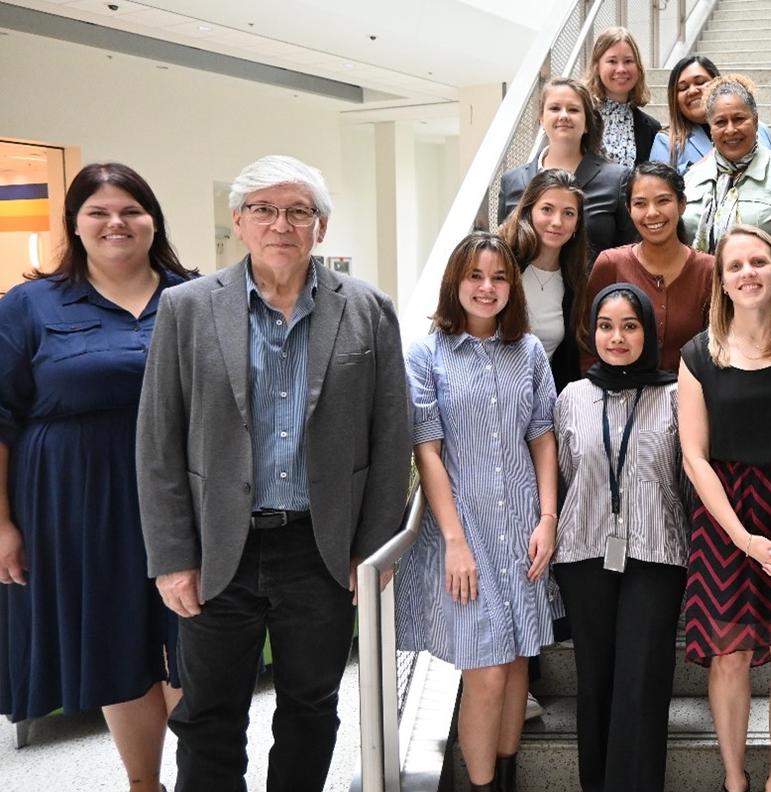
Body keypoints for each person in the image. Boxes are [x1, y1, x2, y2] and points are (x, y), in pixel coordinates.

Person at [136, 154, 411, 792]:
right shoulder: (187, 308)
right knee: (208, 716)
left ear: (321, 226)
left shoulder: (368, 309)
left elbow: (389, 434)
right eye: (263, 209)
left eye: (298, 211)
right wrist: (172, 554)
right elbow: (158, 441)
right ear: (238, 221)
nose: (280, 224)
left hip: (318, 548)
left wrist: (372, 551)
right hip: (217, 546)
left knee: (311, 710)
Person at [0, 163, 195, 791]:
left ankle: (204, 776)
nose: (117, 223)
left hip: (181, 497)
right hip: (74, 502)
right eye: (99, 212)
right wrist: (2, 523)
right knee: (115, 641)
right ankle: (144, 784)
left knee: (193, 638)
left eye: (132, 210)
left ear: (153, 220)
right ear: (75, 224)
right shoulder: (31, 304)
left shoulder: (194, 297)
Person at [397, 232, 560, 792]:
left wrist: (547, 518)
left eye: (497, 277)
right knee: (487, 670)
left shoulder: (530, 351)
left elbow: (542, 436)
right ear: (455, 283)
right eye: (474, 276)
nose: (486, 288)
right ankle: (481, 786)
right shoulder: (425, 353)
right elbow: (427, 450)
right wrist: (454, 541)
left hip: (521, 525)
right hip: (461, 528)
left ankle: (507, 777)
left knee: (517, 663)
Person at [679, 226, 771, 792]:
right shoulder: (698, 354)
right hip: (725, 517)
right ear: (722, 281)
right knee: (729, 656)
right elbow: (694, 456)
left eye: (760, 261)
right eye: (735, 266)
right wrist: (741, 537)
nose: (748, 273)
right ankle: (735, 781)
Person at [552, 282, 685, 792]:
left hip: (658, 553)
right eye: (606, 326)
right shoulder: (572, 398)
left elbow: (685, 477)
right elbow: (566, 473)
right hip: (586, 552)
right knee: (596, 683)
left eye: (630, 326)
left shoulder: (676, 394)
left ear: (648, 332)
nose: (617, 337)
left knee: (641, 683)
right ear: (592, 332)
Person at [583, 161, 713, 373]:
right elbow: (586, 339)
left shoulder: (709, 270)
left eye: (663, 201)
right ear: (629, 209)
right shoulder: (611, 264)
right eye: (640, 204)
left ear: (682, 204)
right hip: (617, 396)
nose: (652, 213)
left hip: (689, 398)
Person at [499, 77, 634, 261]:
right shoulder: (512, 181)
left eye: (573, 109)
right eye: (554, 108)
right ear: (541, 119)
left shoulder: (617, 179)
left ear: (587, 122)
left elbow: (629, 253)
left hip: (593, 288)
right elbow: (503, 253)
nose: (564, 115)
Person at [682, 75, 771, 253]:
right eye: (720, 122)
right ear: (711, 129)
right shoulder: (692, 177)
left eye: (739, 119)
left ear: (756, 120)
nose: (730, 130)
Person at [498, 168, 591, 391]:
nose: (557, 222)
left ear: (577, 223)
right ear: (528, 211)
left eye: (568, 213)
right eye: (547, 209)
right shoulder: (501, 264)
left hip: (541, 403)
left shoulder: (575, 281)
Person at [648, 55, 771, 174]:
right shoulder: (666, 141)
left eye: (700, 82)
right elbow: (657, 189)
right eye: (683, 88)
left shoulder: (761, 130)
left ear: (717, 83)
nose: (692, 91)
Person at [582, 26, 660, 167]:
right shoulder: (581, 118)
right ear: (597, 67)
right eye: (612, 61)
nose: (621, 69)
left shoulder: (651, 129)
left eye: (628, 61)